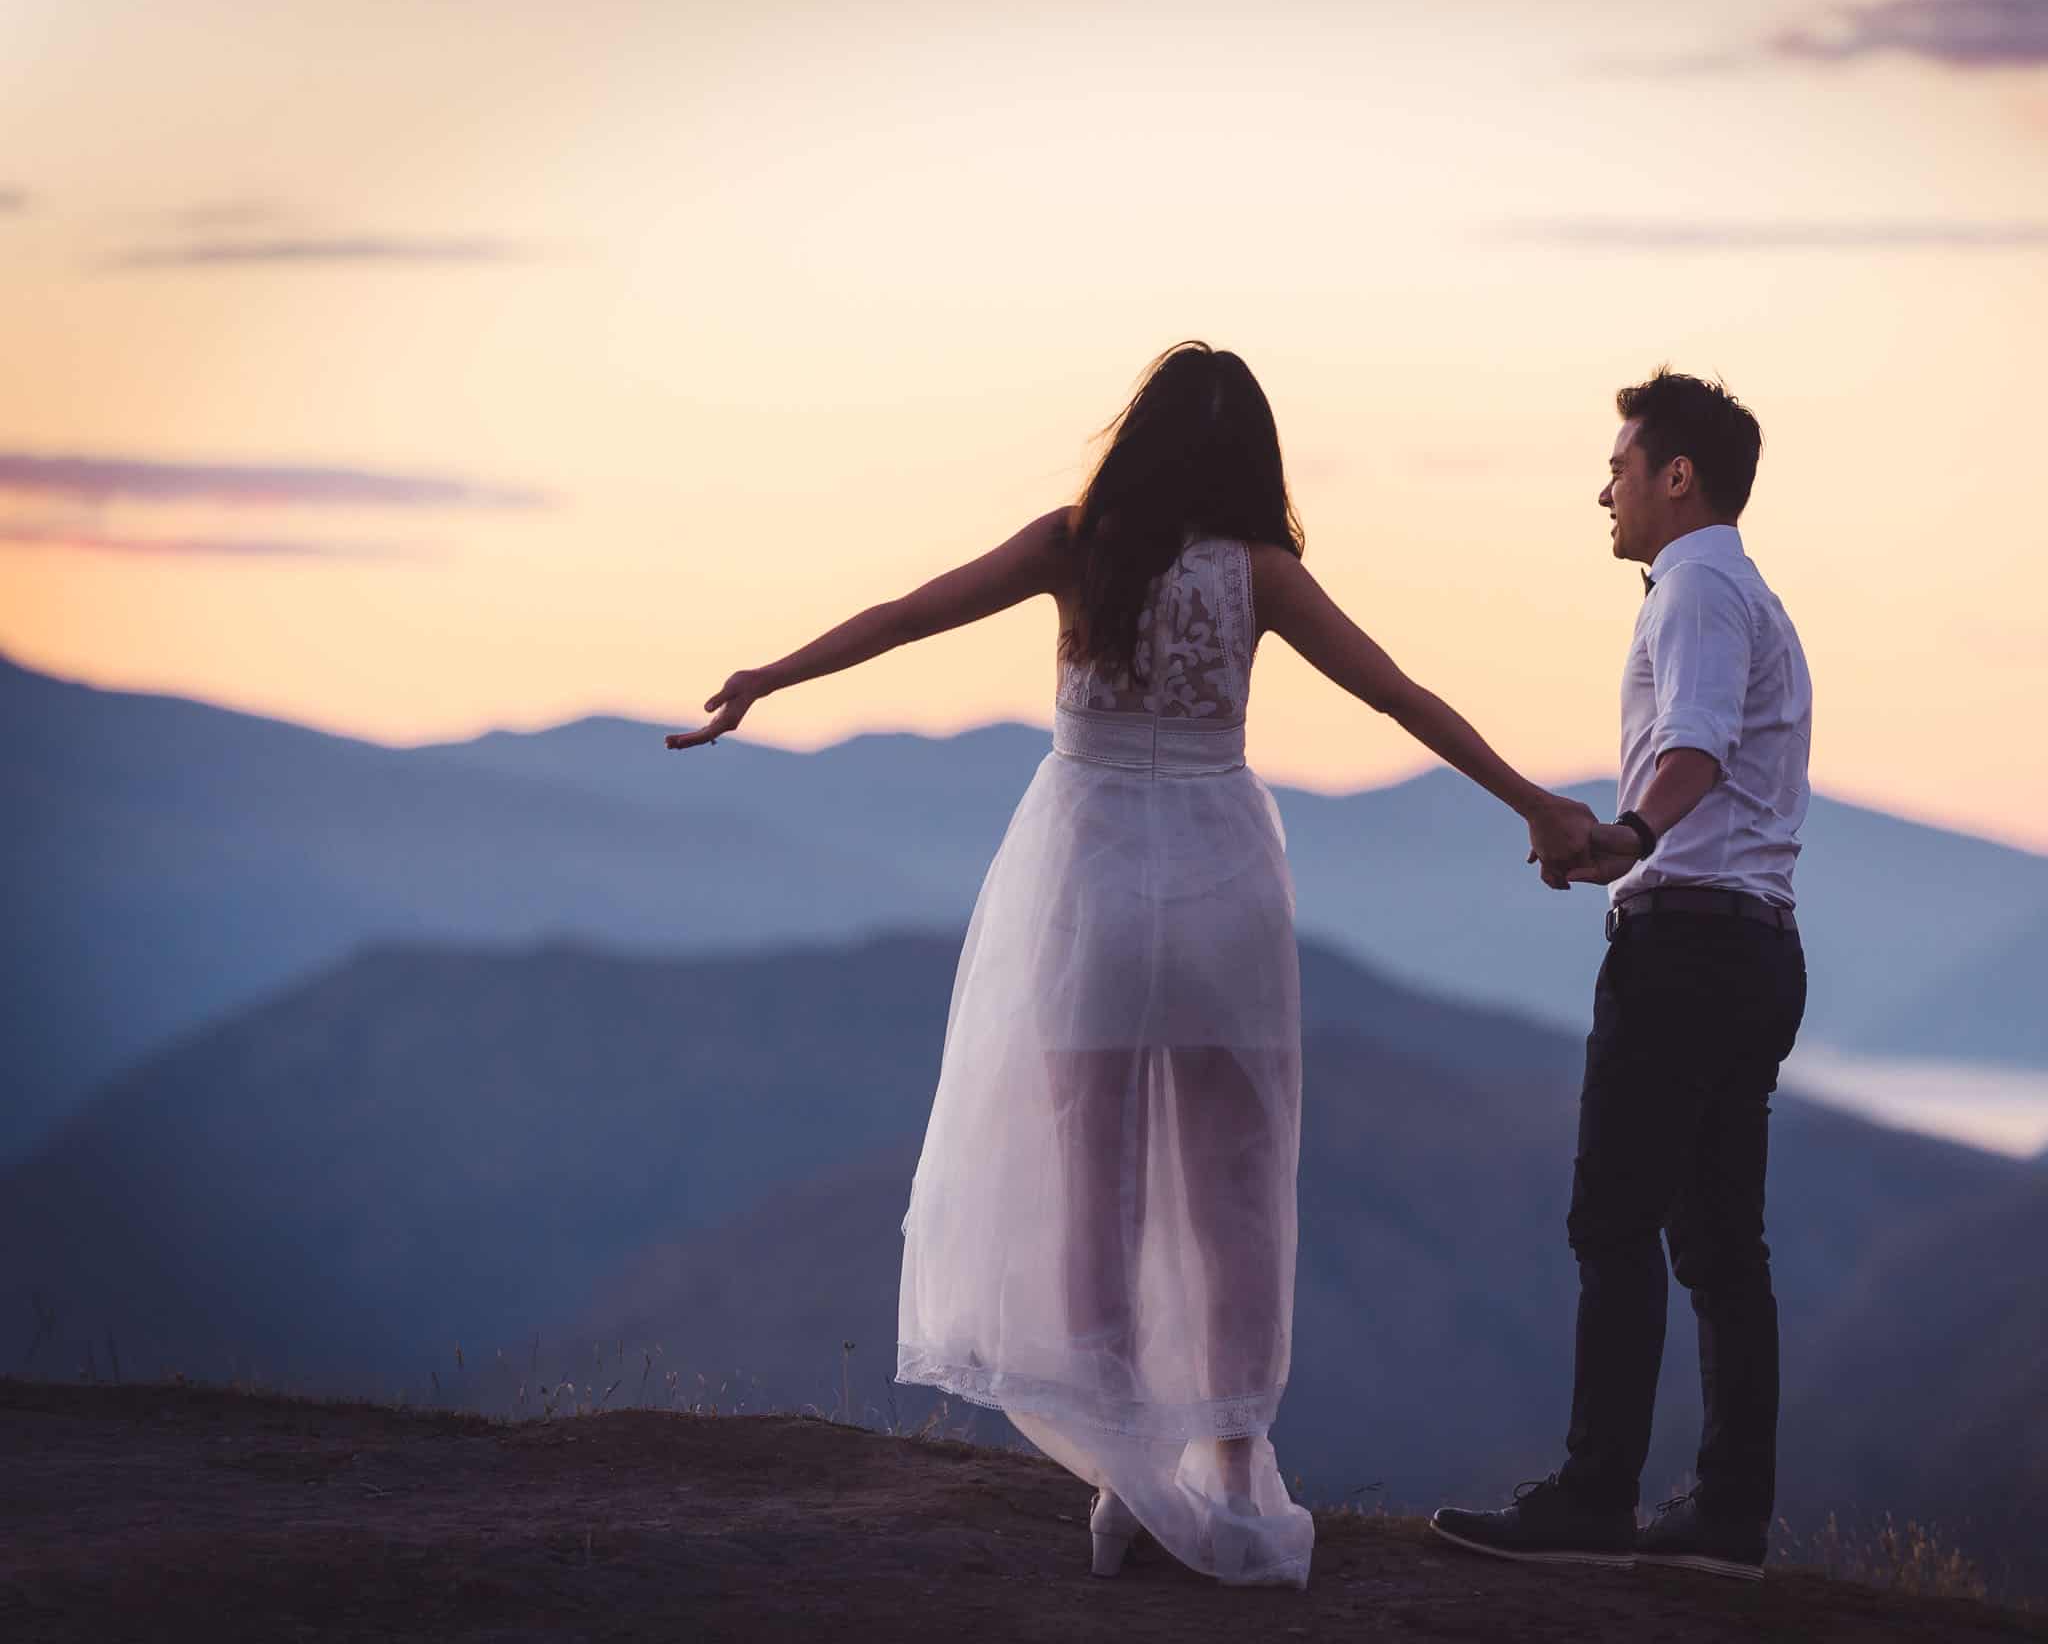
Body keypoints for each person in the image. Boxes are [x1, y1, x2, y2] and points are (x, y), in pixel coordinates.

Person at [666, 341, 1599, 1587]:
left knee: (1094, 1178)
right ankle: (1224, 1463)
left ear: (1139, 439)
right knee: (1231, 1194)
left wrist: (770, 676)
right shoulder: (1261, 571)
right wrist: (1532, 801)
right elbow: (1398, 695)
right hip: (1219, 882)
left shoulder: (1076, 545)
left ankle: (1127, 1481)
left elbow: (908, 612)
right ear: (1251, 461)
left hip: (1092, 883)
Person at [1429, 367, 1811, 1582]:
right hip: (1754, 942)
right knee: (1719, 1241)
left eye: (1620, 464)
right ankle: (1728, 1514)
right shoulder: (1745, 592)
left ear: (1676, 474)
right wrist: (1622, 854)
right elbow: (1715, 766)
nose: (1604, 487)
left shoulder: (1695, 586)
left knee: (1614, 1219)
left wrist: (1633, 842)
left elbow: (1694, 745)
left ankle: (1596, 1498)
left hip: (1688, 944)